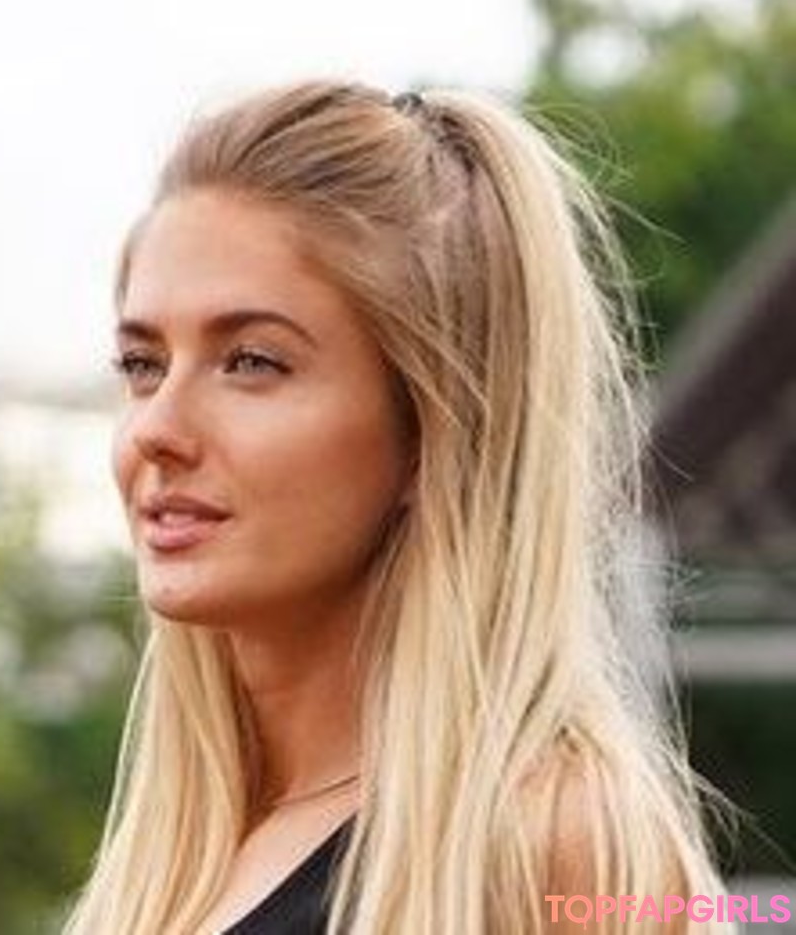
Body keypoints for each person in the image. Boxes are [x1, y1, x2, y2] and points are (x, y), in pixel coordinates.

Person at [61, 80, 734, 933]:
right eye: (143, 365)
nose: (156, 428)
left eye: (253, 362)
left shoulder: (558, 842)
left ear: (431, 430)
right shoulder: (182, 858)